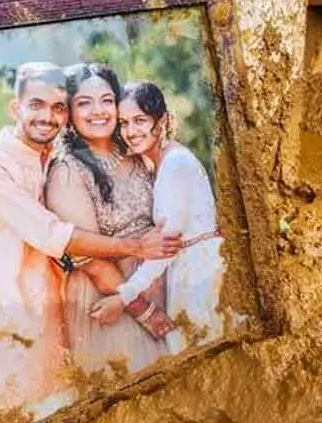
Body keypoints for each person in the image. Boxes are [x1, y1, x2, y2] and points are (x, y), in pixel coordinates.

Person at [0, 62, 181, 423]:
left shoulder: (45, 157)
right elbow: (59, 238)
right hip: (5, 324)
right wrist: (139, 265)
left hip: (52, 318)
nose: (48, 117)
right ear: (15, 108)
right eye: (37, 105)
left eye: (58, 107)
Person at [45, 64, 172, 375]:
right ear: (69, 113)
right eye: (84, 103)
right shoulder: (68, 171)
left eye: (106, 100)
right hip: (111, 296)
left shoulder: (133, 148)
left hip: (155, 281)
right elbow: (88, 259)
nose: (98, 111)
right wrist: (145, 312)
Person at [92, 81, 226, 353]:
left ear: (161, 120)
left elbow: (166, 248)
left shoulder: (176, 164)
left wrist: (122, 298)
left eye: (139, 120)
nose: (130, 131)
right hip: (188, 271)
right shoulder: (160, 163)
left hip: (200, 276)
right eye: (124, 123)